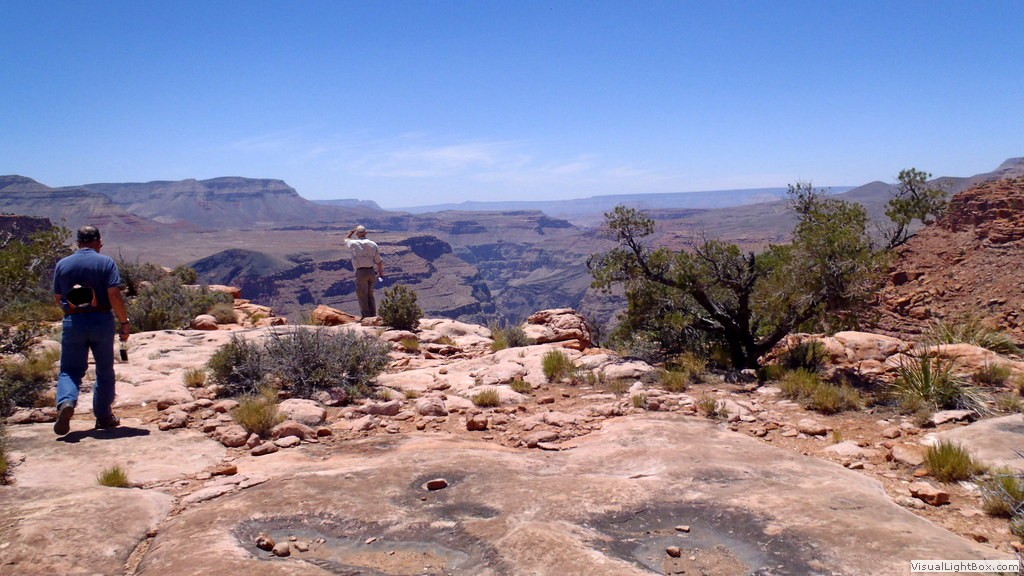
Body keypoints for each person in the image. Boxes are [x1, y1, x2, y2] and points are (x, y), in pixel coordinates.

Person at [51, 225, 131, 435]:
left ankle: (66, 402)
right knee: (104, 370)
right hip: (101, 320)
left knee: (70, 369)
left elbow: (58, 298)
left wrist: (72, 310)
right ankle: (103, 416)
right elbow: (114, 294)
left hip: (73, 321)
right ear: (98, 242)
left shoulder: (63, 264)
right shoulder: (106, 263)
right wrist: (124, 322)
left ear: (78, 243)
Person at [344, 225, 384, 318]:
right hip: (371, 272)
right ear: (366, 233)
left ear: (357, 234)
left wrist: (351, 232)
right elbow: (379, 261)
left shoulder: (353, 243)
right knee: (370, 295)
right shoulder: (373, 244)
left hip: (361, 272)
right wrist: (381, 273)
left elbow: (346, 239)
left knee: (362, 295)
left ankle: (366, 317)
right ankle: (373, 316)